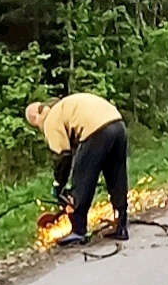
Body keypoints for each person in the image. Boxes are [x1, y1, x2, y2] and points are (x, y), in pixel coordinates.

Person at [25, 93, 129, 246]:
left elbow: (63, 157)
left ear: (35, 118)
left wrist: (59, 185)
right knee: (116, 175)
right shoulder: (65, 108)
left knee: (81, 179)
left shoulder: (49, 120)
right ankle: (121, 225)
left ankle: (78, 230)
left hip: (96, 131)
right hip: (117, 124)